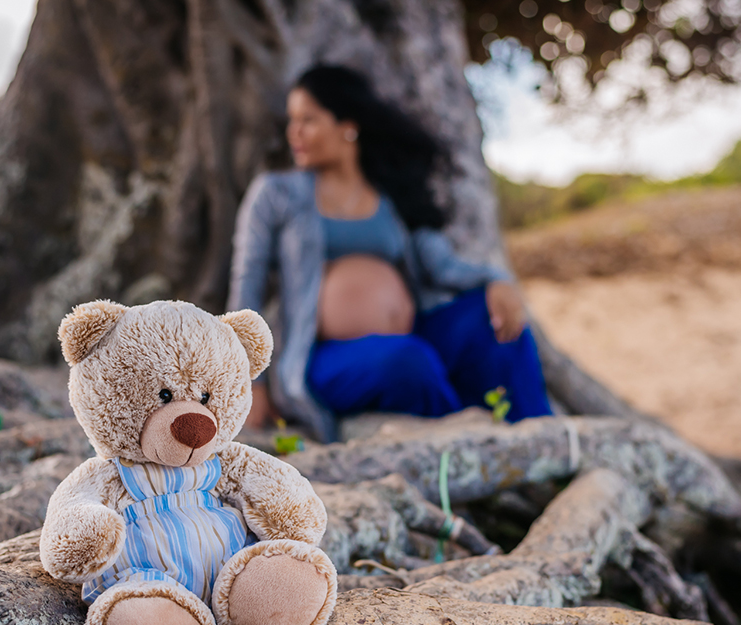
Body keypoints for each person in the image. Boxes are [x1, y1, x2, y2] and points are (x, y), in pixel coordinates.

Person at [228, 64, 551, 442]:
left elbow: (443, 266)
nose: (293, 133)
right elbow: (246, 285)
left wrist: (497, 281)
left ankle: (543, 438)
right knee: (408, 361)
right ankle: (471, 436)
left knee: (492, 322)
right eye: (292, 120)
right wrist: (250, 382)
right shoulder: (276, 194)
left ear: (347, 126)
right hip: (323, 358)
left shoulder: (393, 193)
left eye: (308, 120)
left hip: (416, 334)